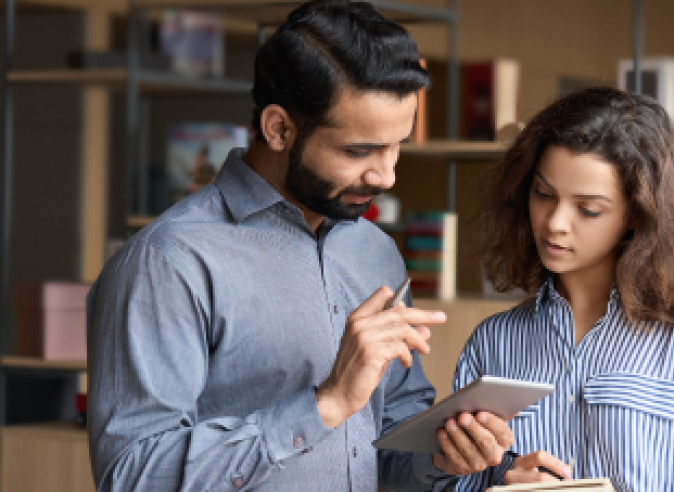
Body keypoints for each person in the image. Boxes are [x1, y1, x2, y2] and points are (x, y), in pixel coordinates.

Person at [86, 1, 514, 490]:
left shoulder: (374, 251)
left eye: (396, 146)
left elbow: (386, 450)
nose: (386, 176)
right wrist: (325, 405)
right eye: (359, 151)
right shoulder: (167, 262)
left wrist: (444, 456)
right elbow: (131, 477)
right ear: (279, 128)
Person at [452, 87, 674, 491]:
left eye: (588, 209)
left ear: (637, 213)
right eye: (543, 195)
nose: (555, 223)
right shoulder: (492, 344)